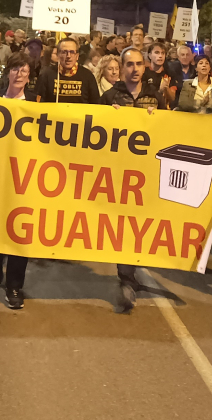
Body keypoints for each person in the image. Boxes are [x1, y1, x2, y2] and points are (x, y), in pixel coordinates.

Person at [101, 46, 166, 312]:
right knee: (124, 224)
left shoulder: (155, 96)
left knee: (141, 225)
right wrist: (110, 119)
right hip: (120, 173)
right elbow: (95, 135)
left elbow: (168, 129)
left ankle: (132, 270)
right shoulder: (109, 97)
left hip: (147, 172)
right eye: (130, 65)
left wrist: (157, 120)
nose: (135, 69)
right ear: (122, 67)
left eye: (140, 64)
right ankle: (126, 278)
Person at [0, 52, 33, 309]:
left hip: (27, 178)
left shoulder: (38, 102)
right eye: (16, 69)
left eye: (24, 70)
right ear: (8, 73)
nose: (19, 74)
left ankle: (14, 286)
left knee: (21, 231)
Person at [37, 37, 100, 104]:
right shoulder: (46, 75)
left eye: (72, 52)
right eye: (64, 52)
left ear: (77, 56)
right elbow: (38, 103)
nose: (68, 56)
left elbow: (96, 104)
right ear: (58, 55)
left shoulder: (87, 76)